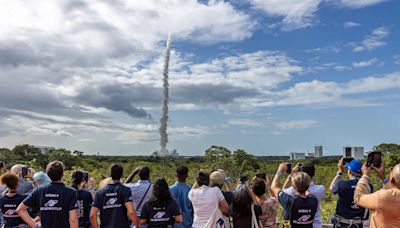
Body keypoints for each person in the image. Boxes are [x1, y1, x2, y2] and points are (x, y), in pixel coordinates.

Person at [16, 160, 79, 228]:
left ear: (48, 174)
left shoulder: (39, 190)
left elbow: (20, 210)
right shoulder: (71, 191)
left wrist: (34, 225)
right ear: (62, 174)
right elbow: (73, 219)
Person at [354, 158, 400, 227]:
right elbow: (395, 189)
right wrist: (382, 177)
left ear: (392, 178)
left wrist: (365, 176)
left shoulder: (382, 197)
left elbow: (358, 198)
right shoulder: (391, 195)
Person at [90, 164, 138, 228]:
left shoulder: (100, 192)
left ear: (110, 174)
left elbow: (92, 215)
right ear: (121, 175)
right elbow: (131, 212)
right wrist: (136, 225)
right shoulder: (125, 190)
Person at [271, 163, 318, 228]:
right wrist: (302, 179)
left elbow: (273, 187)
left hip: (287, 225)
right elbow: (306, 190)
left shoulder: (289, 200)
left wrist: (279, 171)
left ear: (293, 186)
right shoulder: (314, 200)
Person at [328, 159, 371, 227]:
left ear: (350, 172)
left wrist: (340, 172)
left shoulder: (342, 184)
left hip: (342, 224)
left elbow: (331, 188)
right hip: (360, 224)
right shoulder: (368, 186)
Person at [283, 163, 325, 228]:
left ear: (300, 174)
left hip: (295, 223)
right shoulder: (320, 189)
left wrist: (291, 175)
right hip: (316, 224)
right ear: (313, 174)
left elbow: (283, 190)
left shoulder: (291, 190)